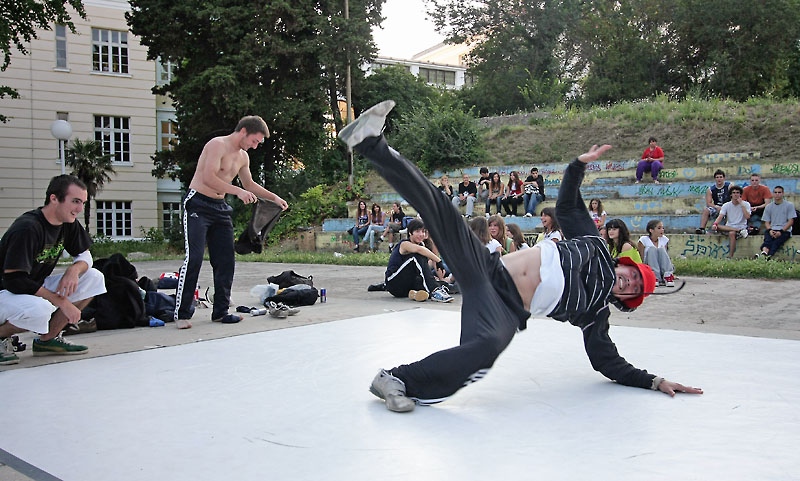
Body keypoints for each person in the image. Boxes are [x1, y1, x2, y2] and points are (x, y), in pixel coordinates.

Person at [337, 100, 702, 413]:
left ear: (625, 299)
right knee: (440, 209)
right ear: (625, 264)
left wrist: (654, 381)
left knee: (485, 350)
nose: (628, 280)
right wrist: (578, 165)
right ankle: (370, 142)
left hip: (504, 308)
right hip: (486, 268)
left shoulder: (594, 314)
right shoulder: (593, 243)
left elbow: (609, 362)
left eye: (632, 287)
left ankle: (396, 379)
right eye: (633, 274)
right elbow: (566, 206)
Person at [175, 115, 288, 329]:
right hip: (198, 203)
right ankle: (182, 313)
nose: (255, 146)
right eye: (254, 141)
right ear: (244, 131)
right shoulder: (217, 145)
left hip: (220, 207)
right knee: (195, 258)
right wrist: (237, 191)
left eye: (258, 143)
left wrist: (274, 198)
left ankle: (221, 311)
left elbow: (249, 184)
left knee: (226, 259)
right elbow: (208, 178)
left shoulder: (243, 157)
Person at [0, 175, 107, 365]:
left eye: (82, 203)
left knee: (94, 277)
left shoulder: (68, 223)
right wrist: (61, 302)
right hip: (6, 291)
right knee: (39, 309)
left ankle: (48, 340)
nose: (79, 209)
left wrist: (73, 270)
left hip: (30, 287)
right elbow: (15, 280)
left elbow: (86, 257)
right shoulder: (28, 228)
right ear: (54, 198)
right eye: (75, 201)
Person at [382, 218, 453, 303]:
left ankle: (414, 294)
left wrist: (440, 278)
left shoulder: (421, 245)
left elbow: (427, 264)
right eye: (417, 231)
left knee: (441, 284)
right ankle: (434, 291)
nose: (421, 234)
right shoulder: (404, 244)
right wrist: (438, 260)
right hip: (394, 283)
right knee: (416, 256)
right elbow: (419, 250)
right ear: (410, 232)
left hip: (407, 286)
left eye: (423, 231)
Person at [755, 186, 795, 260]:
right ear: (773, 194)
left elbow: (791, 221)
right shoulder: (769, 206)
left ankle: (765, 257)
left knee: (776, 243)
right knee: (767, 240)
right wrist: (770, 230)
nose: (777, 194)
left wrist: (781, 231)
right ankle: (764, 253)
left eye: (779, 192)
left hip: (785, 230)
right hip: (772, 229)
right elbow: (767, 222)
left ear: (783, 193)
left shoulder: (789, 205)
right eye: (775, 192)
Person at [711, 185, 751, 258]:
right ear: (731, 195)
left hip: (741, 226)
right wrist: (715, 224)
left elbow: (747, 217)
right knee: (717, 226)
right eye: (734, 193)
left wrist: (742, 205)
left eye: (737, 193)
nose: (735, 195)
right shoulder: (726, 205)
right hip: (729, 227)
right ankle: (739, 230)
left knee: (732, 233)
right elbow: (720, 216)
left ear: (740, 194)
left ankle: (730, 256)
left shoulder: (746, 204)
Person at [637, 220, 675, 287]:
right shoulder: (643, 240)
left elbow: (665, 257)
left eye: (663, 228)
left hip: (661, 266)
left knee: (661, 249)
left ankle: (667, 275)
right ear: (651, 230)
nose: (662, 230)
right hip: (649, 266)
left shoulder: (664, 239)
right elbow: (641, 258)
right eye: (659, 228)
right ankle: (654, 276)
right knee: (652, 249)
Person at [696, 169, 732, 234]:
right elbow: (708, 203)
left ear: (724, 178)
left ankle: (726, 229)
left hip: (728, 206)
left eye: (720, 177)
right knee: (706, 210)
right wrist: (716, 207)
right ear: (715, 179)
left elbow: (734, 198)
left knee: (729, 211)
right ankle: (702, 229)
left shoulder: (729, 186)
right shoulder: (711, 189)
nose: (719, 179)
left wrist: (725, 207)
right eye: (717, 177)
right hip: (717, 207)